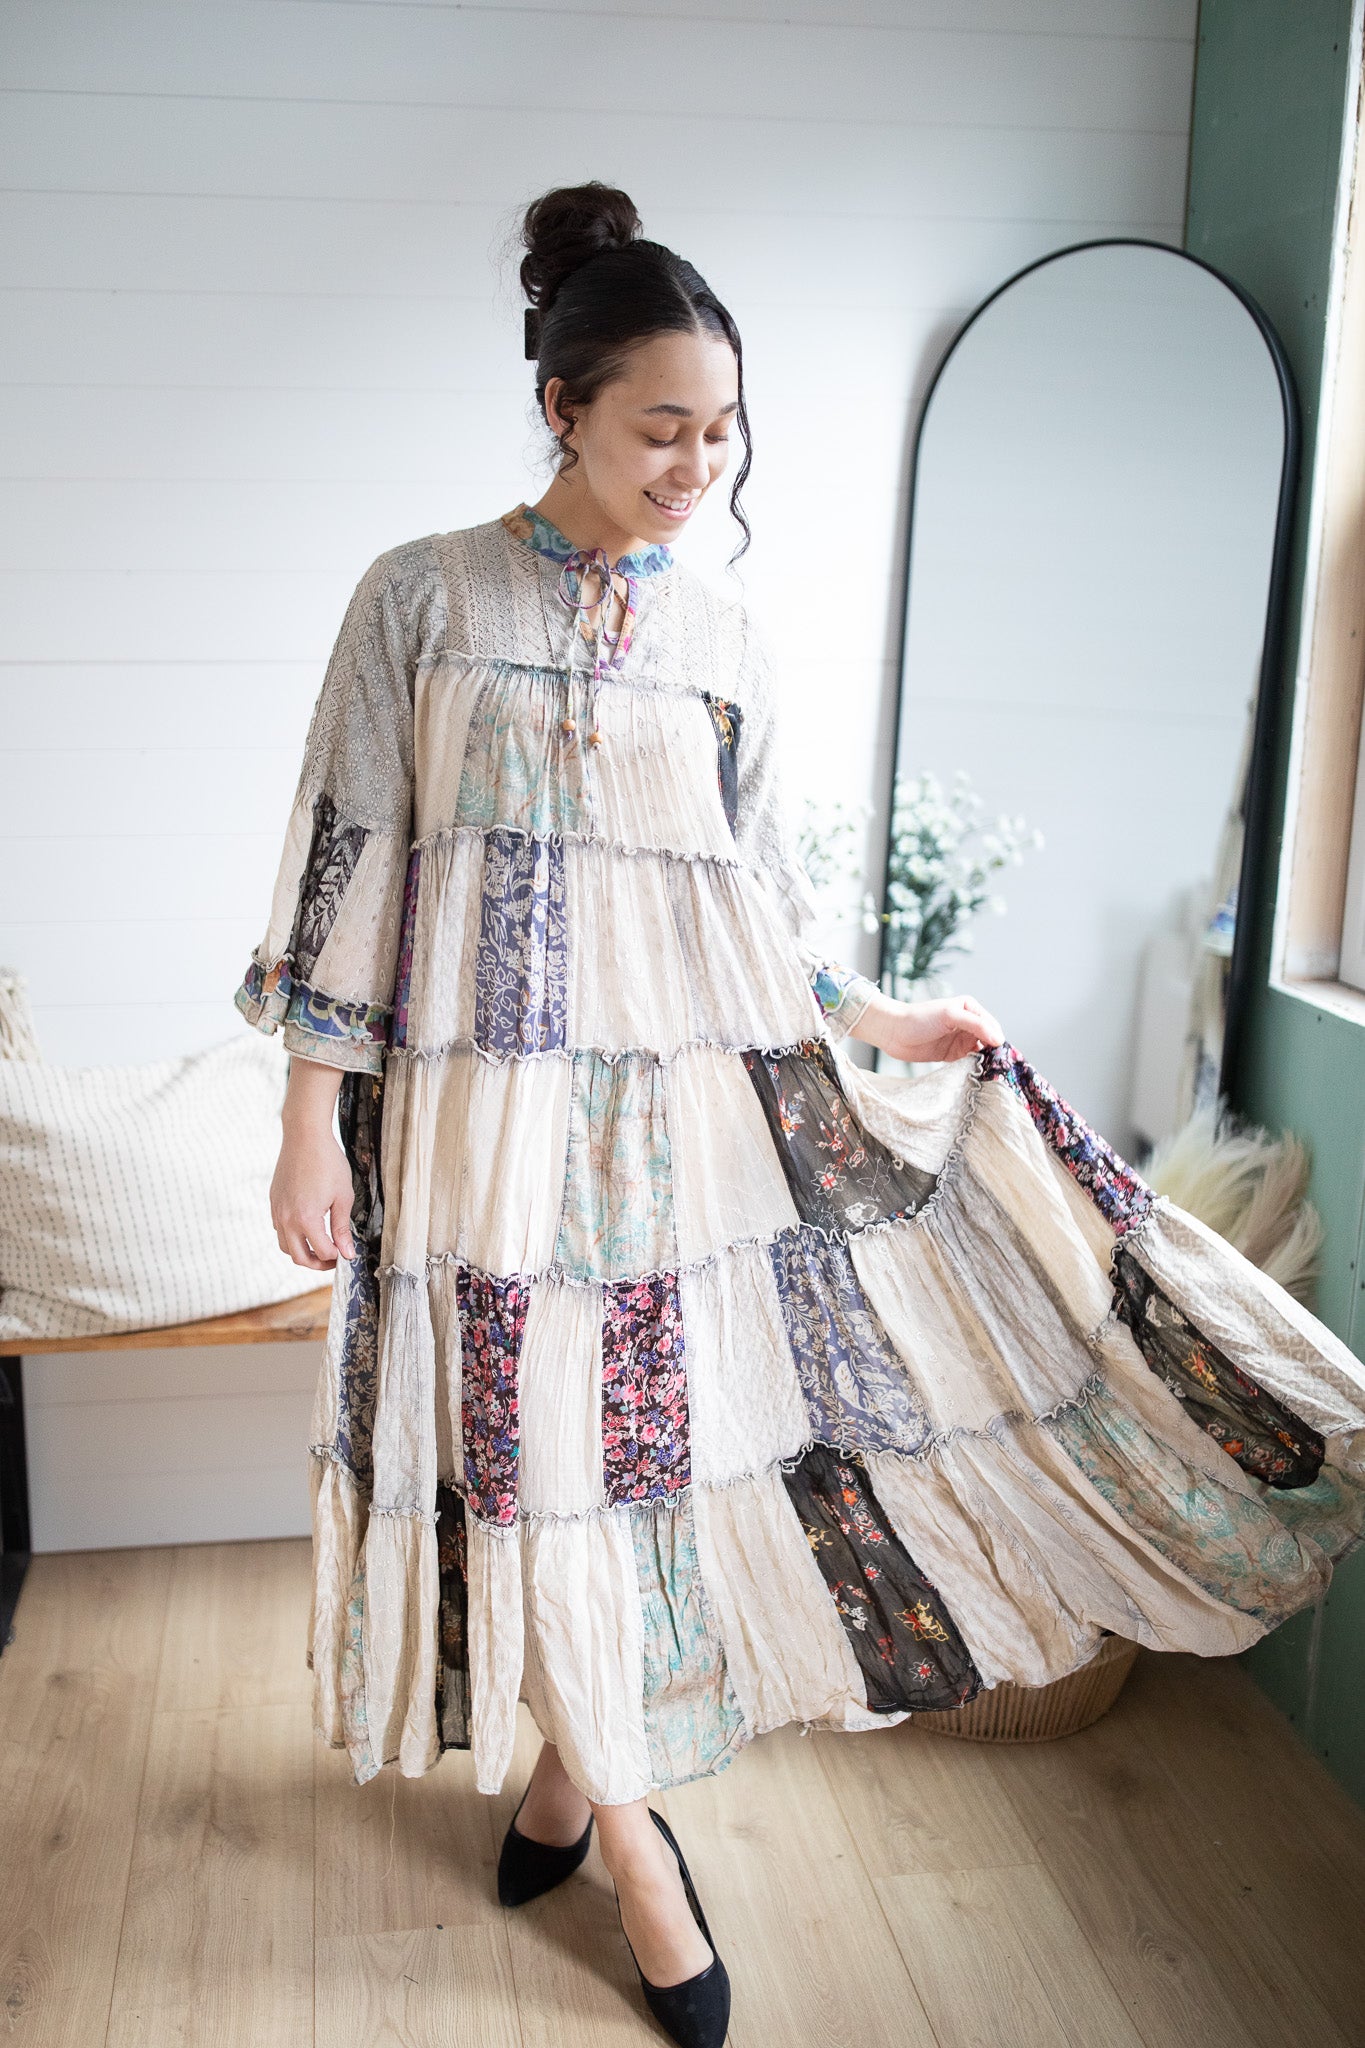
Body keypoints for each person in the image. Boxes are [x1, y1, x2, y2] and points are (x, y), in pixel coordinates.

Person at [235, 182, 1365, 2048]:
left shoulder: (727, 640)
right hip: (470, 1134)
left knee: (622, 1477)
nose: (697, 466)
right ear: (562, 408)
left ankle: (573, 1792)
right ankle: (643, 1861)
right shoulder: (422, 597)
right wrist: (305, 1117)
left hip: (669, 1146)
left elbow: (749, 900)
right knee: (518, 1468)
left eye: (723, 429)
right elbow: (348, 859)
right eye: (658, 427)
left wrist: (885, 1019)